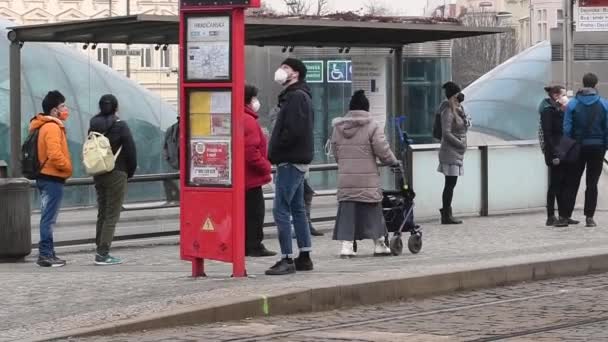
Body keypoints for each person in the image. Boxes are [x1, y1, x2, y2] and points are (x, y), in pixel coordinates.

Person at [331, 90, 398, 258]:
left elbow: (335, 151)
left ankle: (346, 247)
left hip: (346, 178)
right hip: (367, 178)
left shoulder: (338, 127)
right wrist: (393, 162)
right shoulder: (372, 126)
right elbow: (382, 151)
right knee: (372, 210)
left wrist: (345, 165)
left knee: (347, 211)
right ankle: (379, 244)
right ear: (366, 109)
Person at [265, 58, 315, 276]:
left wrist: (276, 149)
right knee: (297, 208)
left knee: (281, 209)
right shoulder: (298, 96)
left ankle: (286, 258)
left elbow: (292, 130)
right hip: (297, 159)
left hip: (290, 160)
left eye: (285, 68)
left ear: (295, 74)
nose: (280, 71)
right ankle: (304, 256)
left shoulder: (295, 97)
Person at [89, 94, 137, 265]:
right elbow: (131, 151)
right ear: (116, 107)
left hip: (99, 172)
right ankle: (103, 253)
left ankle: (99, 247)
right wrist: (129, 172)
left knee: (102, 212)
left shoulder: (93, 126)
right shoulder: (121, 126)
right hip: (117, 172)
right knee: (112, 214)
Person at [31, 90, 73, 267]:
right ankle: (45, 255)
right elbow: (54, 154)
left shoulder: (44, 126)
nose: (66, 109)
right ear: (54, 110)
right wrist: (68, 167)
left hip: (46, 176)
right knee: (48, 218)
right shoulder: (52, 127)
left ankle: (49, 253)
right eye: (63, 106)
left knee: (47, 217)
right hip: (51, 177)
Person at [561, 73, 608, 227]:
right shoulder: (604, 104)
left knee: (572, 182)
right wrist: (604, 145)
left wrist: (568, 147)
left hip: (577, 147)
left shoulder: (572, 104)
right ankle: (589, 217)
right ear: (595, 85)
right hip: (597, 147)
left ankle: (565, 216)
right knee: (592, 183)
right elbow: (607, 128)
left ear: (583, 83)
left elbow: (566, 129)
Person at [244, 84, 276, 257]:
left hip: (244, 178)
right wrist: (266, 167)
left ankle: (247, 244)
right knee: (255, 213)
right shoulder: (248, 120)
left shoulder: (241, 117)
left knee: (248, 213)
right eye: (254, 98)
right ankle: (254, 245)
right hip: (250, 178)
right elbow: (250, 151)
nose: (257, 102)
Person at [538, 85, 575, 227]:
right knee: (555, 184)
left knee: (562, 183)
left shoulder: (559, 109)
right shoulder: (547, 111)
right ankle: (551, 215)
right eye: (563, 94)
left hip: (562, 149)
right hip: (554, 152)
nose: (566, 97)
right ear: (555, 95)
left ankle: (563, 215)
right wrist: (554, 153)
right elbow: (547, 134)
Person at [437, 81, 469, 225]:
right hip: (450, 152)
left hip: (455, 152)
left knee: (451, 183)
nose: (460, 97)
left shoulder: (457, 110)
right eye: (458, 94)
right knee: (450, 183)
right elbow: (446, 133)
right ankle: (446, 215)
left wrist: (465, 119)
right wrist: (460, 143)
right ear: (453, 96)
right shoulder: (448, 111)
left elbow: (461, 128)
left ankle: (447, 213)